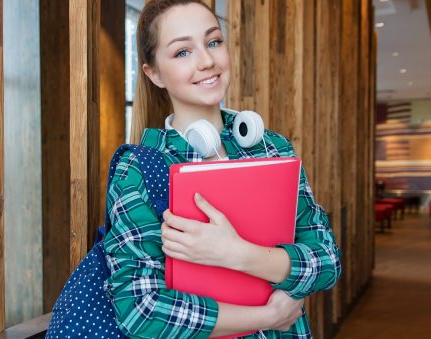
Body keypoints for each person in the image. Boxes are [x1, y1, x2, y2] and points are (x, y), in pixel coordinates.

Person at [103, 0, 341, 338]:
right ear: (154, 73)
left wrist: (237, 254)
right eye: (182, 52)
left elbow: (327, 260)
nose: (207, 61)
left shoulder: (272, 148)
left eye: (214, 41)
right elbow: (140, 309)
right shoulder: (139, 168)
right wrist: (267, 316)